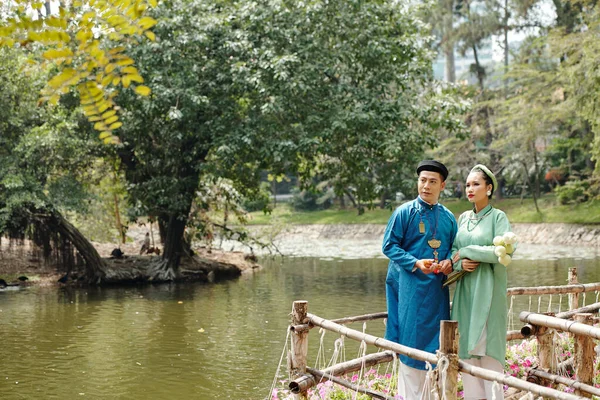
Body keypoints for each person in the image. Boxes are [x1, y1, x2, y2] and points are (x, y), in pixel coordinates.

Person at [382, 160, 458, 400]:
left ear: (442, 185)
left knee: (437, 342)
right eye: (422, 180)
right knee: (409, 340)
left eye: (432, 181)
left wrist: (448, 262)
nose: (426, 186)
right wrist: (415, 262)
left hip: (437, 291)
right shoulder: (404, 212)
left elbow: (453, 249)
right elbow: (388, 246)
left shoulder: (447, 218)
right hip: (409, 288)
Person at [450, 164, 514, 400]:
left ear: (488, 188)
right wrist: (459, 264)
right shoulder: (463, 218)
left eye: (476, 184)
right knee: (467, 350)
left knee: (488, 350)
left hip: (488, 292)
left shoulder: (498, 217)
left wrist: (468, 250)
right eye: (467, 184)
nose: (470, 188)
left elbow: (501, 252)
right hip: (465, 291)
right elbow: (453, 253)